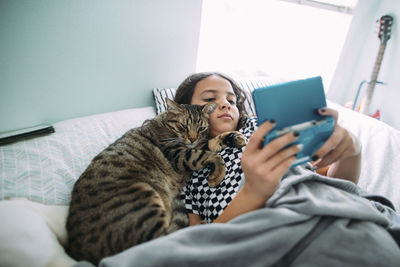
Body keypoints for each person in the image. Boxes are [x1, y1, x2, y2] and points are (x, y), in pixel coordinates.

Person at [174, 72, 362, 225]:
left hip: (320, 207)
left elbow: (331, 182)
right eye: (209, 98)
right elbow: (199, 242)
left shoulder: (260, 128)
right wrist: (253, 192)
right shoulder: (184, 174)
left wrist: (351, 155)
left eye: (231, 101)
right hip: (260, 232)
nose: (225, 104)